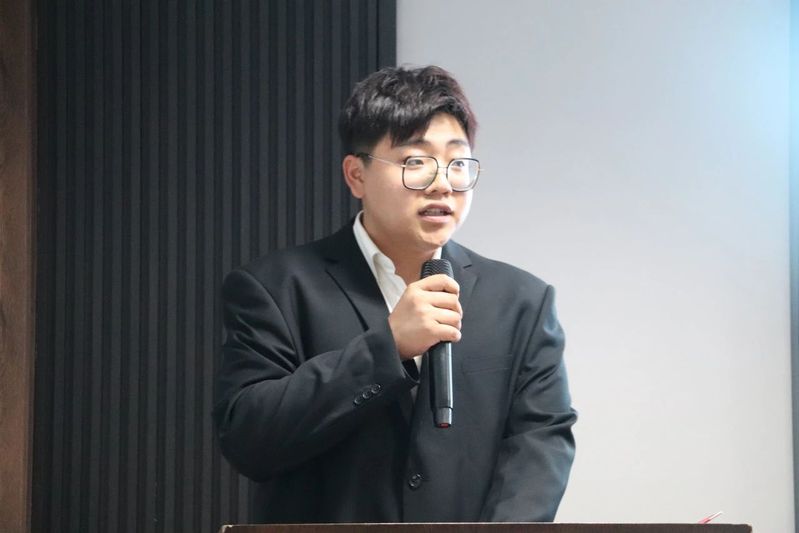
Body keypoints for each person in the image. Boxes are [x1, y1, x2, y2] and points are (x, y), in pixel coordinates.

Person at [213, 65, 576, 523]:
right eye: (416, 162)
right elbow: (249, 440)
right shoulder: (276, 288)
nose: (443, 184)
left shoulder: (523, 301)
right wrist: (388, 347)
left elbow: (540, 442)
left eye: (457, 163)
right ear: (356, 175)